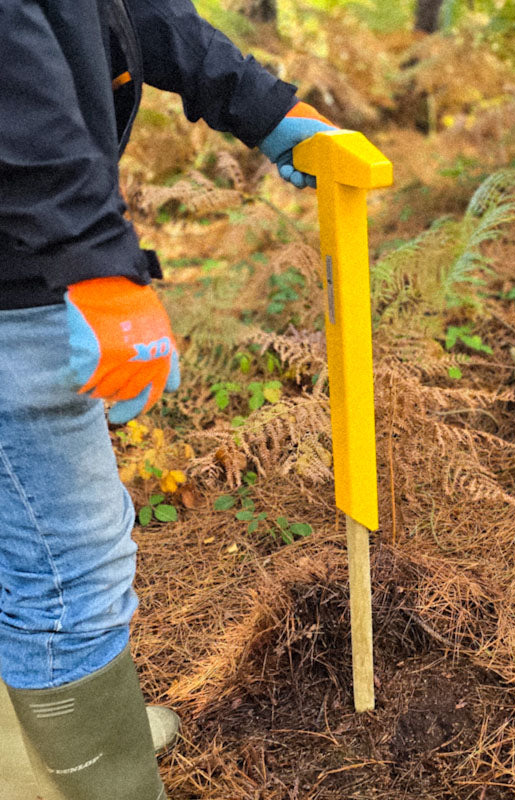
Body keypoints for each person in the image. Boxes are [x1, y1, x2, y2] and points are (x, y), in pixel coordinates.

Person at [0, 1, 338, 797]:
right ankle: (95, 772)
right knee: (66, 563)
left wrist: (262, 104)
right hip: (18, 273)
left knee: (23, 537)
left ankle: (40, 749)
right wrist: (88, 260)